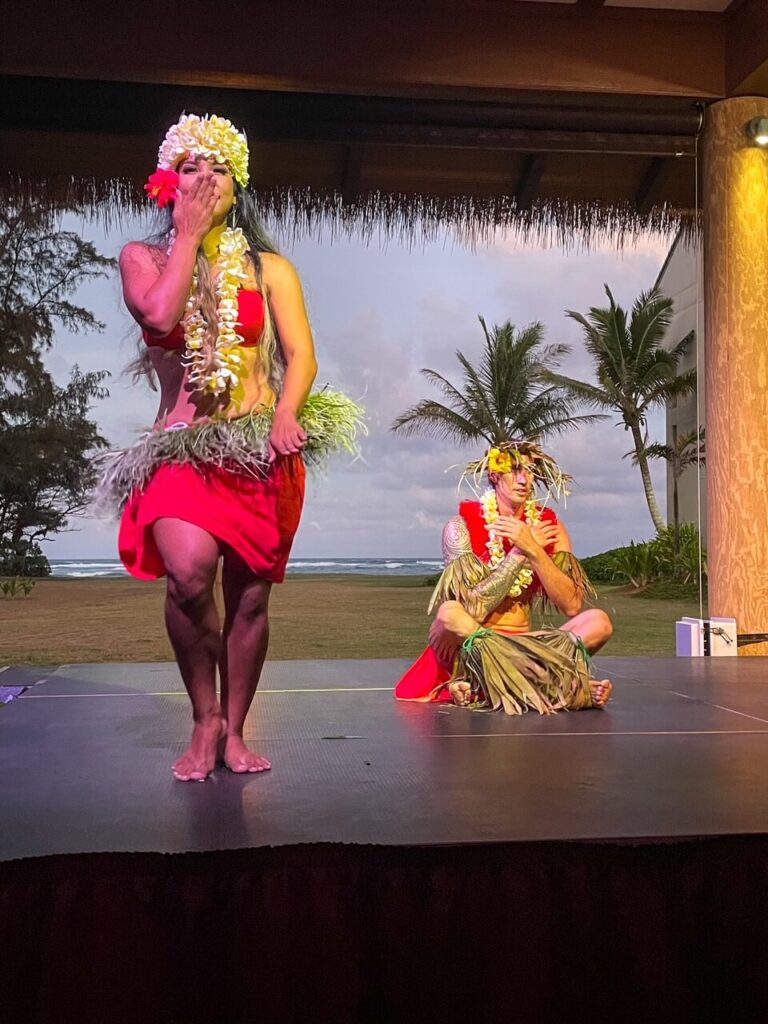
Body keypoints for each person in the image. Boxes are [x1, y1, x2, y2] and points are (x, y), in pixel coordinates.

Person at [98, 114, 363, 780]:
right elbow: (160, 316)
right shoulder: (144, 258)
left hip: (254, 447)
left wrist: (287, 412)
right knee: (188, 575)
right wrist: (188, 235)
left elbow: (301, 355)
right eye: (191, 167)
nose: (206, 178)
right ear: (167, 183)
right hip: (181, 449)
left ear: (237, 183)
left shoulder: (270, 269)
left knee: (249, 599)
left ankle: (236, 728)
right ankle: (203, 717)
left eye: (218, 167)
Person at [395, 441, 613, 713]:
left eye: (530, 471)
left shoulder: (549, 526)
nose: (524, 479)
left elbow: (571, 605)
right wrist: (519, 552)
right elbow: (472, 609)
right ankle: (552, 683)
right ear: (495, 474)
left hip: (529, 643)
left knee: (599, 622)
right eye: (514, 470)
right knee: (450, 613)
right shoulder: (459, 527)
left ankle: (504, 684)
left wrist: (535, 549)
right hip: (473, 645)